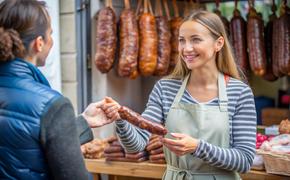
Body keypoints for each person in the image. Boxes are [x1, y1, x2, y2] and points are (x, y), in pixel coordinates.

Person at [103, 10, 257, 180]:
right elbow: (136, 145)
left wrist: (197, 147)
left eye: (195, 40)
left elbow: (244, 160)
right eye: (181, 41)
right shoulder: (165, 88)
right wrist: (121, 118)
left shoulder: (239, 92)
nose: (186, 48)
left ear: (218, 43)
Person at [0, 0, 112, 179]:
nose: (52, 40)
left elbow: (23, 144)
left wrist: (83, 121)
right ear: (39, 43)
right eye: (50, 34)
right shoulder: (51, 104)